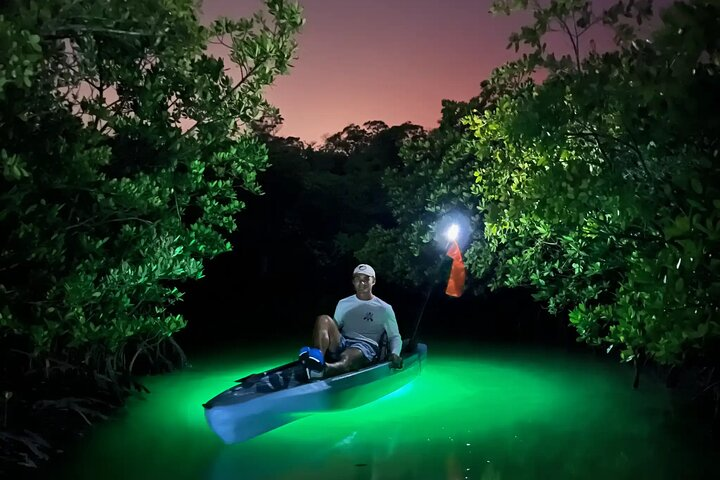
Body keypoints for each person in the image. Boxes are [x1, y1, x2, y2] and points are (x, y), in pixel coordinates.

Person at [299, 264, 403, 380]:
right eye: (357, 279)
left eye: (366, 279)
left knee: (347, 356)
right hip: (344, 341)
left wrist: (395, 353)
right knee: (323, 319)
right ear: (353, 282)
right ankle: (317, 358)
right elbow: (334, 327)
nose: (361, 283)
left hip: (365, 346)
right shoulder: (343, 303)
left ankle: (324, 370)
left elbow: (394, 336)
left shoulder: (384, 308)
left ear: (373, 281)